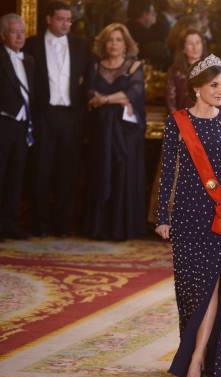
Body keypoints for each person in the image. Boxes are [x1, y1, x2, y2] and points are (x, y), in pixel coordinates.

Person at [155, 54, 221, 377]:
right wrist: (162, 217)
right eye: (214, 85)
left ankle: (197, 362)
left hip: (218, 218)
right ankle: (195, 354)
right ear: (196, 88)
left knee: (212, 289)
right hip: (185, 216)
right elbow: (167, 172)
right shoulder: (177, 122)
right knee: (191, 291)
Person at [24, 1, 89, 238]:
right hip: (43, 114)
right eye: (60, 19)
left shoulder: (81, 46)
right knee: (41, 169)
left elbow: (87, 83)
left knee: (67, 171)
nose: (65, 24)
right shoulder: (32, 44)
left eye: (68, 19)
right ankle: (39, 224)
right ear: (48, 19)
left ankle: (63, 225)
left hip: (71, 116)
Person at [85, 23, 146, 241]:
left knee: (122, 174)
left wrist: (106, 99)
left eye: (119, 40)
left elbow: (134, 93)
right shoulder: (94, 66)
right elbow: (89, 95)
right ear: (104, 43)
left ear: (126, 43)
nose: (114, 44)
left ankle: (120, 229)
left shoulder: (133, 66)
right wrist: (108, 100)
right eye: (110, 39)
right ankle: (100, 228)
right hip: (100, 131)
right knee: (101, 173)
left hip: (124, 132)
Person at [148, 28, 206, 224]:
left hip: (206, 126)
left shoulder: (211, 69)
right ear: (183, 48)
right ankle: (172, 221)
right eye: (190, 43)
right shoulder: (175, 71)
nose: (194, 47)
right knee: (176, 177)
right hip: (182, 127)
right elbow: (171, 102)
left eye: (198, 43)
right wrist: (183, 127)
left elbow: (217, 98)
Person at [0, 14, 34, 240]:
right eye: (14, 31)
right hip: (2, 124)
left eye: (22, 31)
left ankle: (10, 224)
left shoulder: (29, 60)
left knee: (16, 175)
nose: (20, 35)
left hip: (23, 127)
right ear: (3, 35)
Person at [126, 0, 169, 70]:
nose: (155, 14)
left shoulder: (156, 28)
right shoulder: (132, 32)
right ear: (144, 14)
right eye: (152, 12)